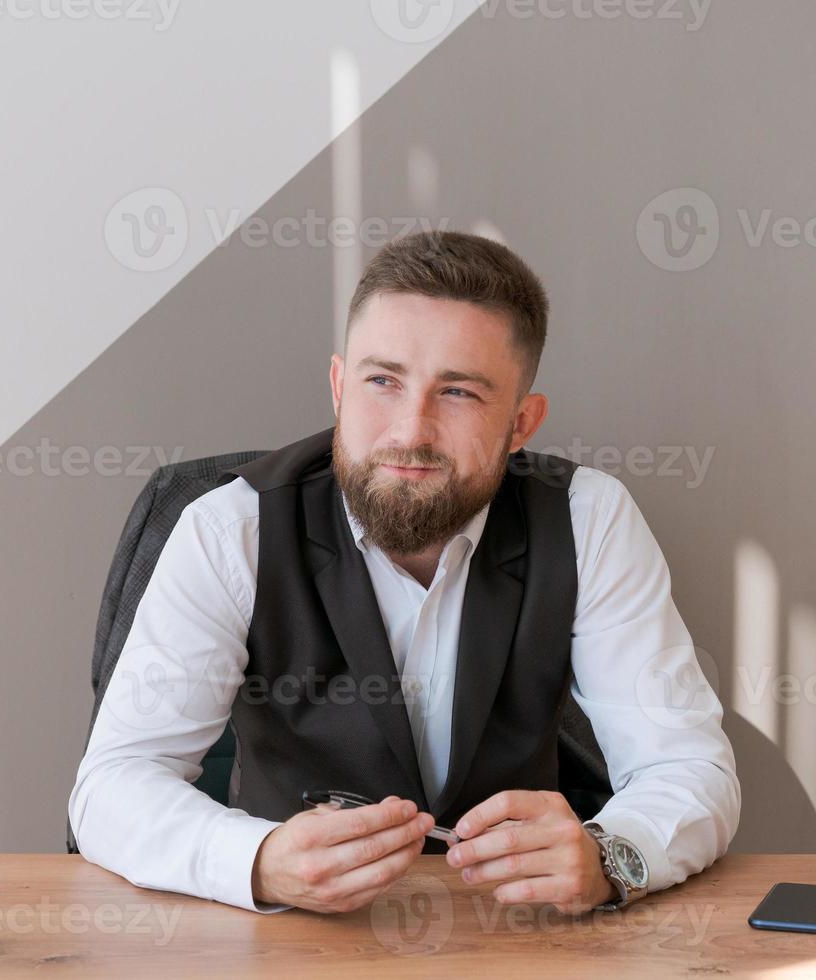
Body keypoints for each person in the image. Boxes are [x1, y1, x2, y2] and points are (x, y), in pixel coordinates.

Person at [68, 230, 739, 915]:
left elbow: (687, 768)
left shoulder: (587, 519)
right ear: (338, 386)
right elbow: (113, 785)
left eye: (457, 392)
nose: (409, 431)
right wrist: (260, 861)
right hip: (291, 940)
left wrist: (609, 856)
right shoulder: (229, 529)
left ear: (521, 423)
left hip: (516, 938)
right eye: (382, 381)